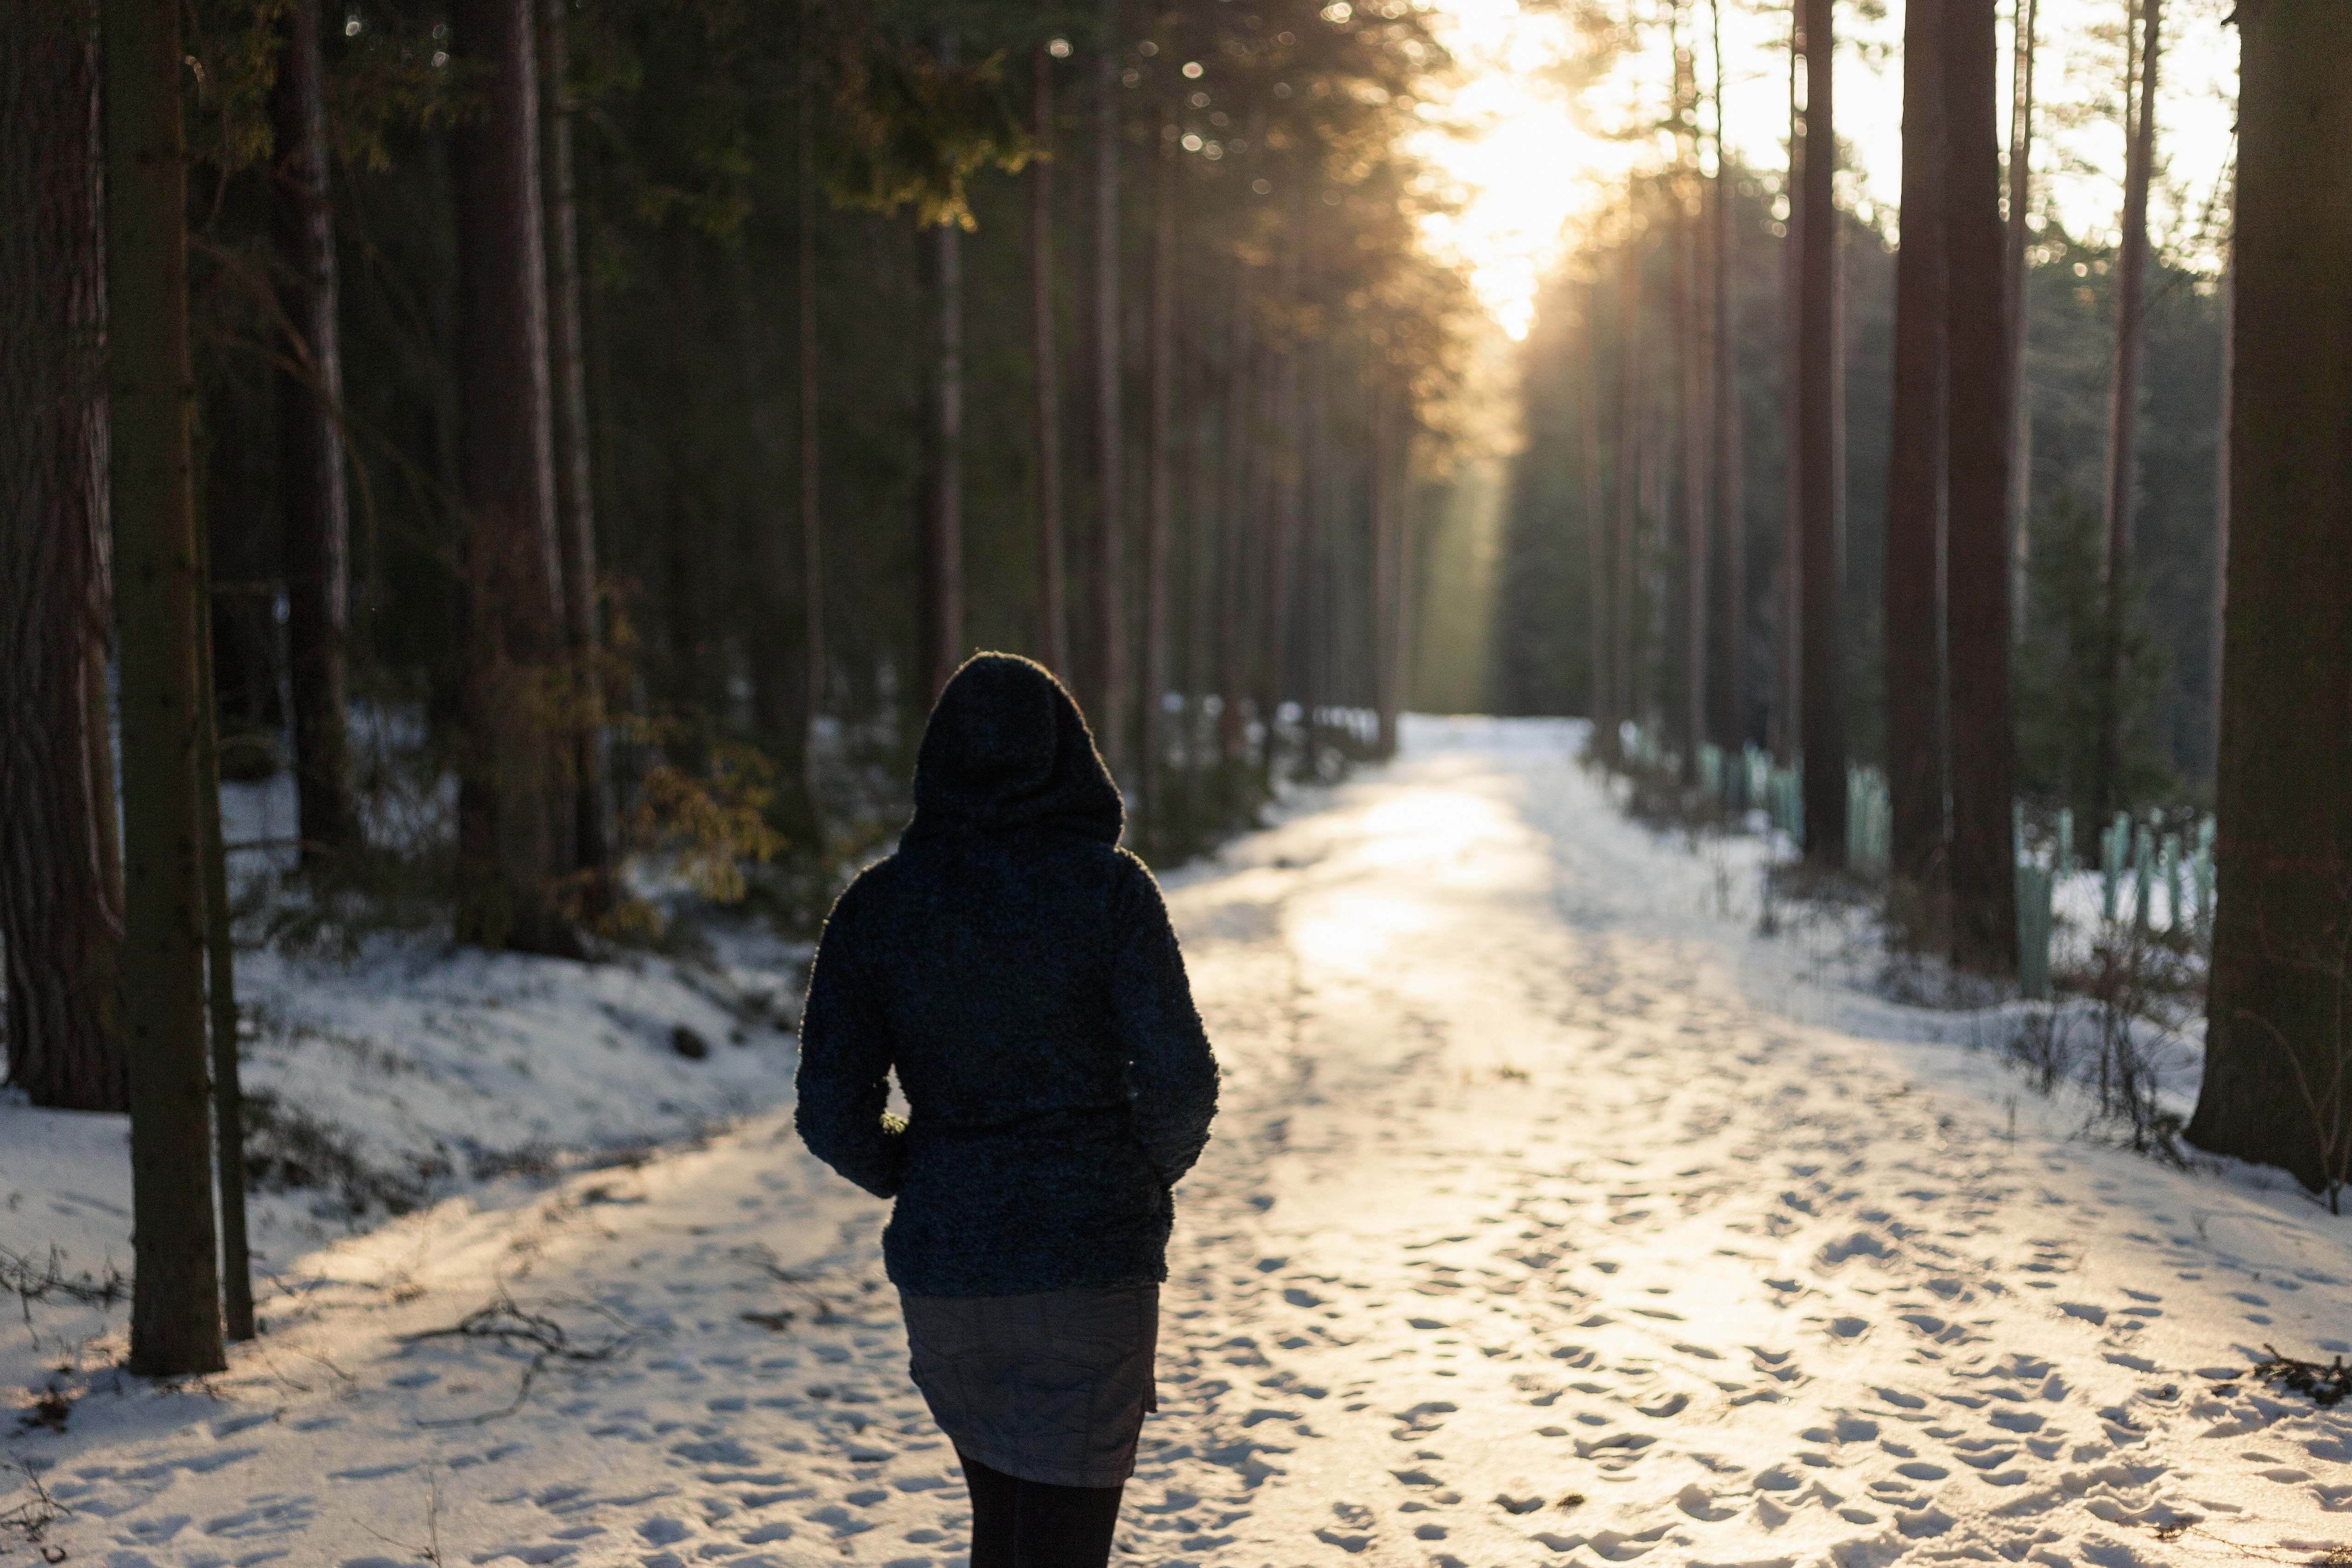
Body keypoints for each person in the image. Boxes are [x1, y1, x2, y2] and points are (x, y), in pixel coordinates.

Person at [796, 652, 1220, 1568]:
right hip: (1090, 1267)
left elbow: (831, 1110)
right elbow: (1182, 1081)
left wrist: (919, 1169)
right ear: (1071, 757)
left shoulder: (876, 909)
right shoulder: (1110, 893)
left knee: (1012, 1533)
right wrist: (1134, 1170)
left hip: (951, 1277)